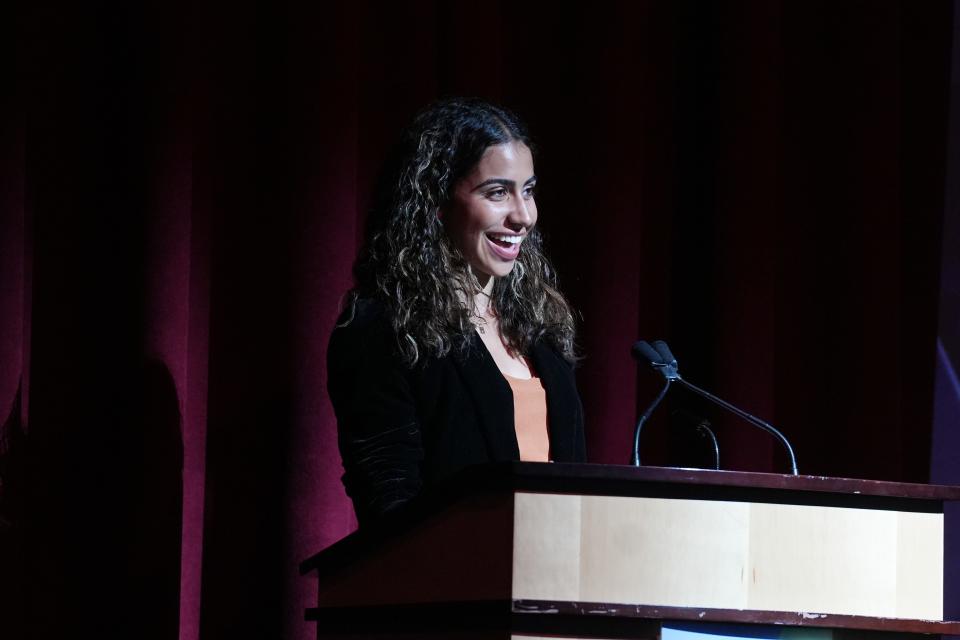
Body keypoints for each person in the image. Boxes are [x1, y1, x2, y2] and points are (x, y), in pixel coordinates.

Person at [327, 97, 586, 526]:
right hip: (451, 585)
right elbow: (389, 507)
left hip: (553, 583)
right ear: (435, 202)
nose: (523, 216)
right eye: (498, 192)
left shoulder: (541, 329)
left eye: (529, 191)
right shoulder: (384, 329)